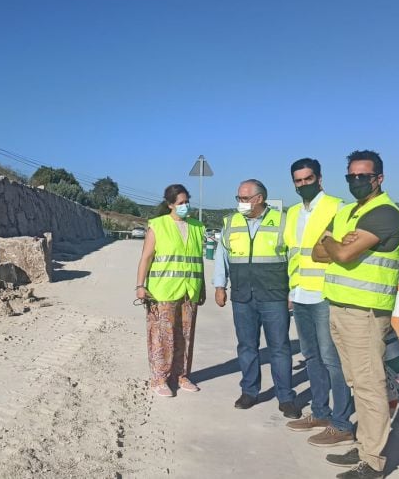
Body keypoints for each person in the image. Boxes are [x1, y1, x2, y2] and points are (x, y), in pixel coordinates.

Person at [312, 150, 399, 479]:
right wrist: (333, 242)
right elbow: (317, 251)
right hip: (340, 305)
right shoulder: (350, 211)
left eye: (362, 176)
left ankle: (373, 462)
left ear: (378, 178)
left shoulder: (385, 213)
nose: (356, 181)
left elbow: (342, 252)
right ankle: (365, 444)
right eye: (351, 176)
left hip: (365, 311)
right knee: (356, 382)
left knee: (368, 385)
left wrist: (335, 244)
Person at [283, 158, 355, 446]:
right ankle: (320, 412)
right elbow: (292, 253)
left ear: (319, 179)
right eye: (298, 181)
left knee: (332, 360)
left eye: (308, 179)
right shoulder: (292, 213)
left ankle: (341, 424)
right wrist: (290, 291)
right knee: (311, 358)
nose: (303, 185)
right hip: (300, 293)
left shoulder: (337, 207)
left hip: (325, 294)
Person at [213, 179, 300, 419]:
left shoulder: (282, 221)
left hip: (274, 295)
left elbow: (294, 258)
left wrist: (293, 292)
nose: (240, 203)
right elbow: (222, 255)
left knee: (280, 348)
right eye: (238, 198)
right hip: (242, 295)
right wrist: (220, 285)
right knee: (247, 346)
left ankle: (286, 398)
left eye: (244, 198)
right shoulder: (231, 223)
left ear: (259, 198)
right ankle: (249, 391)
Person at [135, 184, 206, 397]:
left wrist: (200, 287)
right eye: (180, 203)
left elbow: (198, 261)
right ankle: (159, 378)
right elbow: (146, 257)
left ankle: (182, 375)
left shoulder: (196, 226)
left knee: (185, 336)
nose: (185, 206)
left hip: (188, 291)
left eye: (187, 202)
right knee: (161, 337)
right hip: (162, 291)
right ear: (170, 205)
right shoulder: (158, 225)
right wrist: (140, 286)